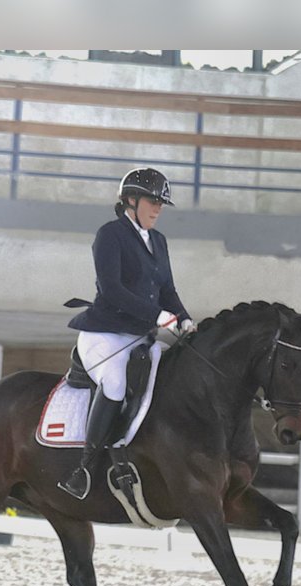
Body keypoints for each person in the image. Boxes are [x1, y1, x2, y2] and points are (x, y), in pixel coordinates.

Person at [58, 167, 197, 500]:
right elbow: (112, 289)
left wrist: (185, 318)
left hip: (141, 336)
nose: (158, 209)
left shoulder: (159, 241)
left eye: (161, 203)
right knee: (117, 383)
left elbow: (168, 289)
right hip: (103, 334)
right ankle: (84, 468)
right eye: (153, 201)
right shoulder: (110, 235)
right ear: (130, 200)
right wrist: (158, 315)